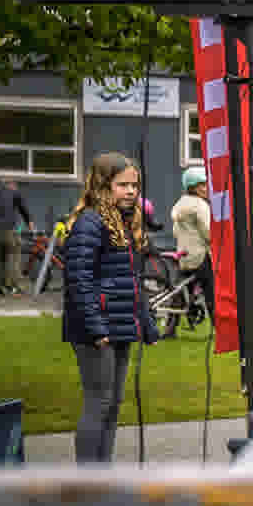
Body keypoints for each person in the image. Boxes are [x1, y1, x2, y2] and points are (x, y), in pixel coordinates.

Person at [60, 152, 159, 462]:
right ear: (103, 185)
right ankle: (88, 480)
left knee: (114, 403)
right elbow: (78, 278)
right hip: (96, 327)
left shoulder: (125, 223)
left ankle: (103, 472)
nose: (131, 191)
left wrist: (146, 322)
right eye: (122, 185)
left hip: (120, 323)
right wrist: (95, 325)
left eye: (134, 185)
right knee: (98, 401)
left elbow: (131, 280)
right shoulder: (90, 222)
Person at [169, 166, 213, 322]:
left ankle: (171, 326)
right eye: (203, 185)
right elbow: (208, 233)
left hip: (184, 256)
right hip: (200, 256)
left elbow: (175, 232)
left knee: (179, 292)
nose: (207, 188)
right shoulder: (200, 205)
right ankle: (218, 326)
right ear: (193, 187)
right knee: (212, 291)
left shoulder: (180, 204)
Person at [0, 178, 34, 297]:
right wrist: (30, 224)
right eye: (15, 184)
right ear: (11, 184)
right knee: (14, 256)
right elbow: (23, 208)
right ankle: (13, 287)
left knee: (1, 258)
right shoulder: (13, 192)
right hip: (9, 230)